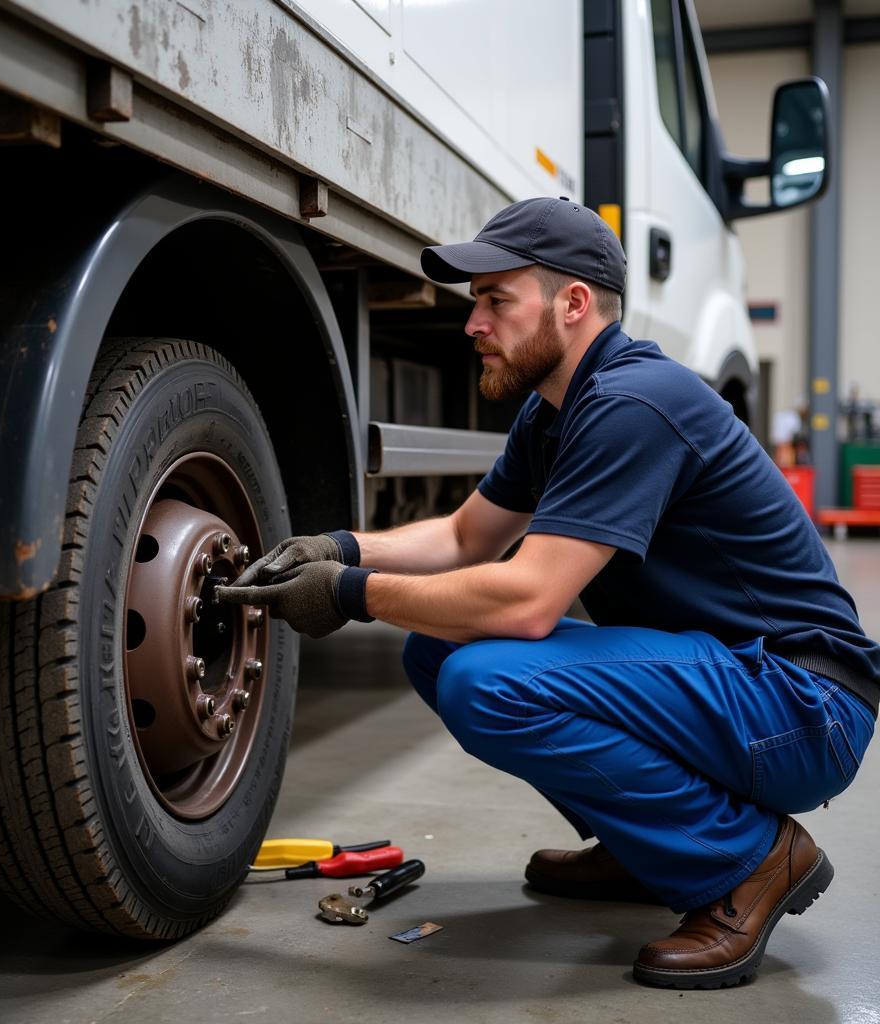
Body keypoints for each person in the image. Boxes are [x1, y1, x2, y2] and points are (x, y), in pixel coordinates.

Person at [217, 196, 878, 989]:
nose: (474, 324)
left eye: (497, 301)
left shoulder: (635, 403)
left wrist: (351, 594)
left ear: (572, 304)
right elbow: (468, 538)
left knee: (483, 679)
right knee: (440, 649)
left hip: (801, 704)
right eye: (476, 305)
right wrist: (338, 548)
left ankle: (751, 862)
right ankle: (653, 849)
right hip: (735, 679)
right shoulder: (554, 412)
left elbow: (529, 601)